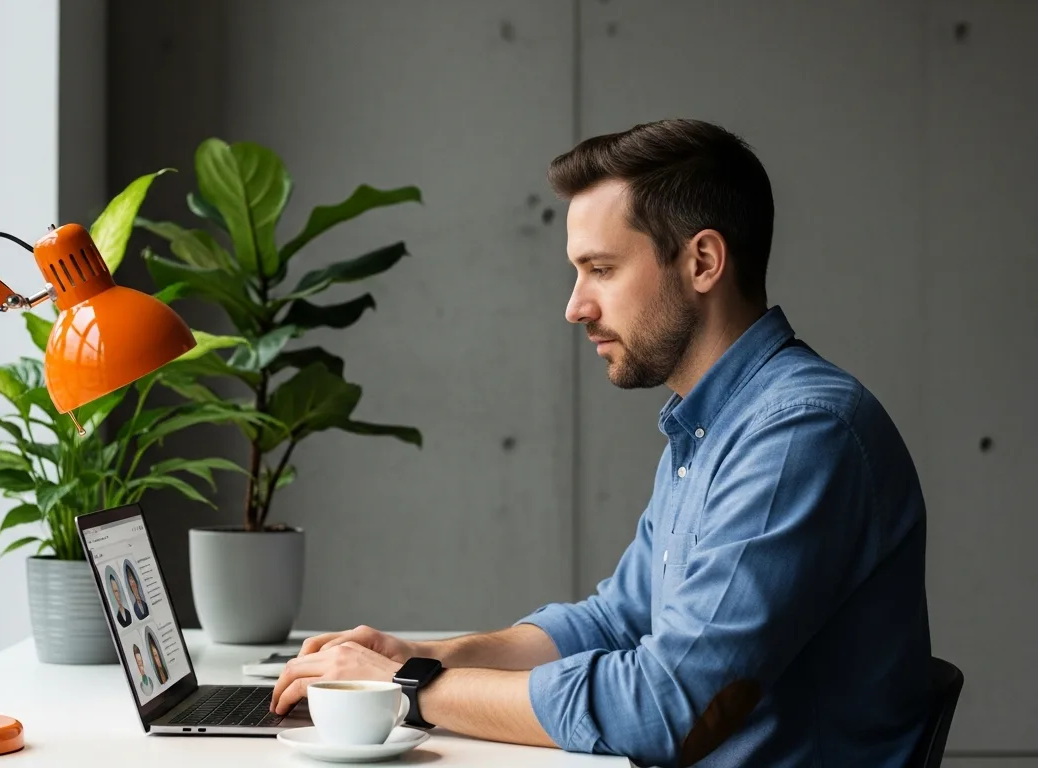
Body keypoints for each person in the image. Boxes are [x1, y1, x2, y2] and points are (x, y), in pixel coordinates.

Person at [269, 119, 931, 767]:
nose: (575, 306)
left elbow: (666, 708)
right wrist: (419, 656)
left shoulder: (798, 435)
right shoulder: (709, 426)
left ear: (702, 261)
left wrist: (409, 691)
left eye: (600, 269)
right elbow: (615, 623)